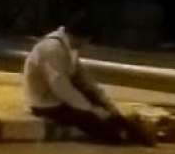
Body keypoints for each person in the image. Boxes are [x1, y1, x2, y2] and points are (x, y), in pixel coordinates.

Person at [23, 15, 157, 146]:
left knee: (105, 108)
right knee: (99, 126)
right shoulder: (52, 48)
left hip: (63, 100)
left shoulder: (69, 47)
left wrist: (106, 104)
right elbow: (60, 87)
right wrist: (91, 109)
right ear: (83, 38)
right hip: (46, 103)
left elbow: (84, 79)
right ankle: (119, 135)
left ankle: (132, 131)